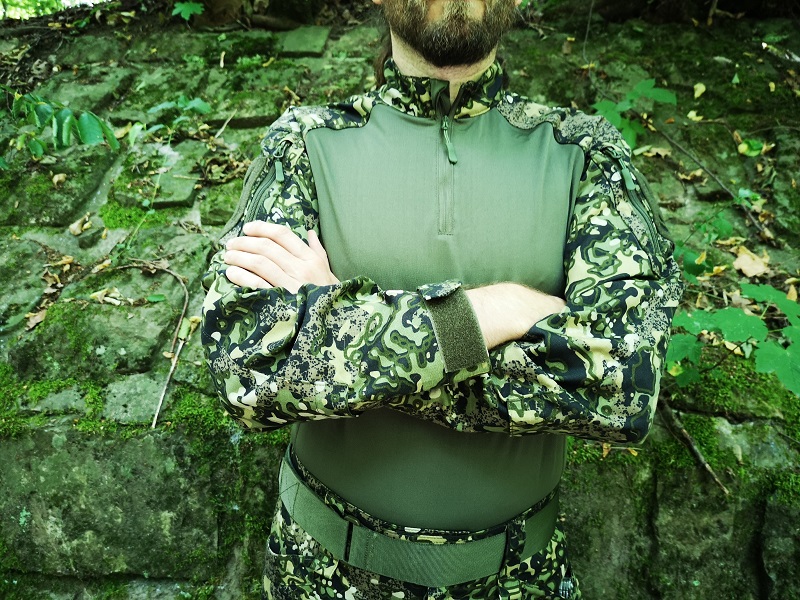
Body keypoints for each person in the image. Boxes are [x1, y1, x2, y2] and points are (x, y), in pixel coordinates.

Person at [201, 0, 684, 597]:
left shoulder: (585, 154)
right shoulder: (302, 144)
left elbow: (622, 388)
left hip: (518, 581)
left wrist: (343, 330)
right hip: (319, 577)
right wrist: (500, 310)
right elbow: (247, 368)